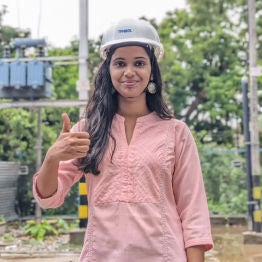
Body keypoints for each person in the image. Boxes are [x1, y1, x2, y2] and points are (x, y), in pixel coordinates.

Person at [32, 18, 214, 262]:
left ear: (151, 71)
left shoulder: (176, 132)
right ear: (109, 70)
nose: (129, 72)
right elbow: (48, 199)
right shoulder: (86, 131)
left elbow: (194, 212)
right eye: (120, 63)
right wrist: (52, 157)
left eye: (139, 63)